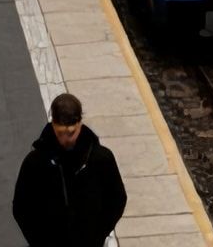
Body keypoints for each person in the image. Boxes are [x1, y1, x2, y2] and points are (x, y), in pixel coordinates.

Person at [12, 92, 128, 247]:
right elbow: (21, 206)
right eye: (60, 133)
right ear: (52, 124)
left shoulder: (101, 159)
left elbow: (117, 199)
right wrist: (39, 241)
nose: (66, 139)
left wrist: (98, 234)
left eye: (71, 132)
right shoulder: (35, 162)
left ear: (80, 123)